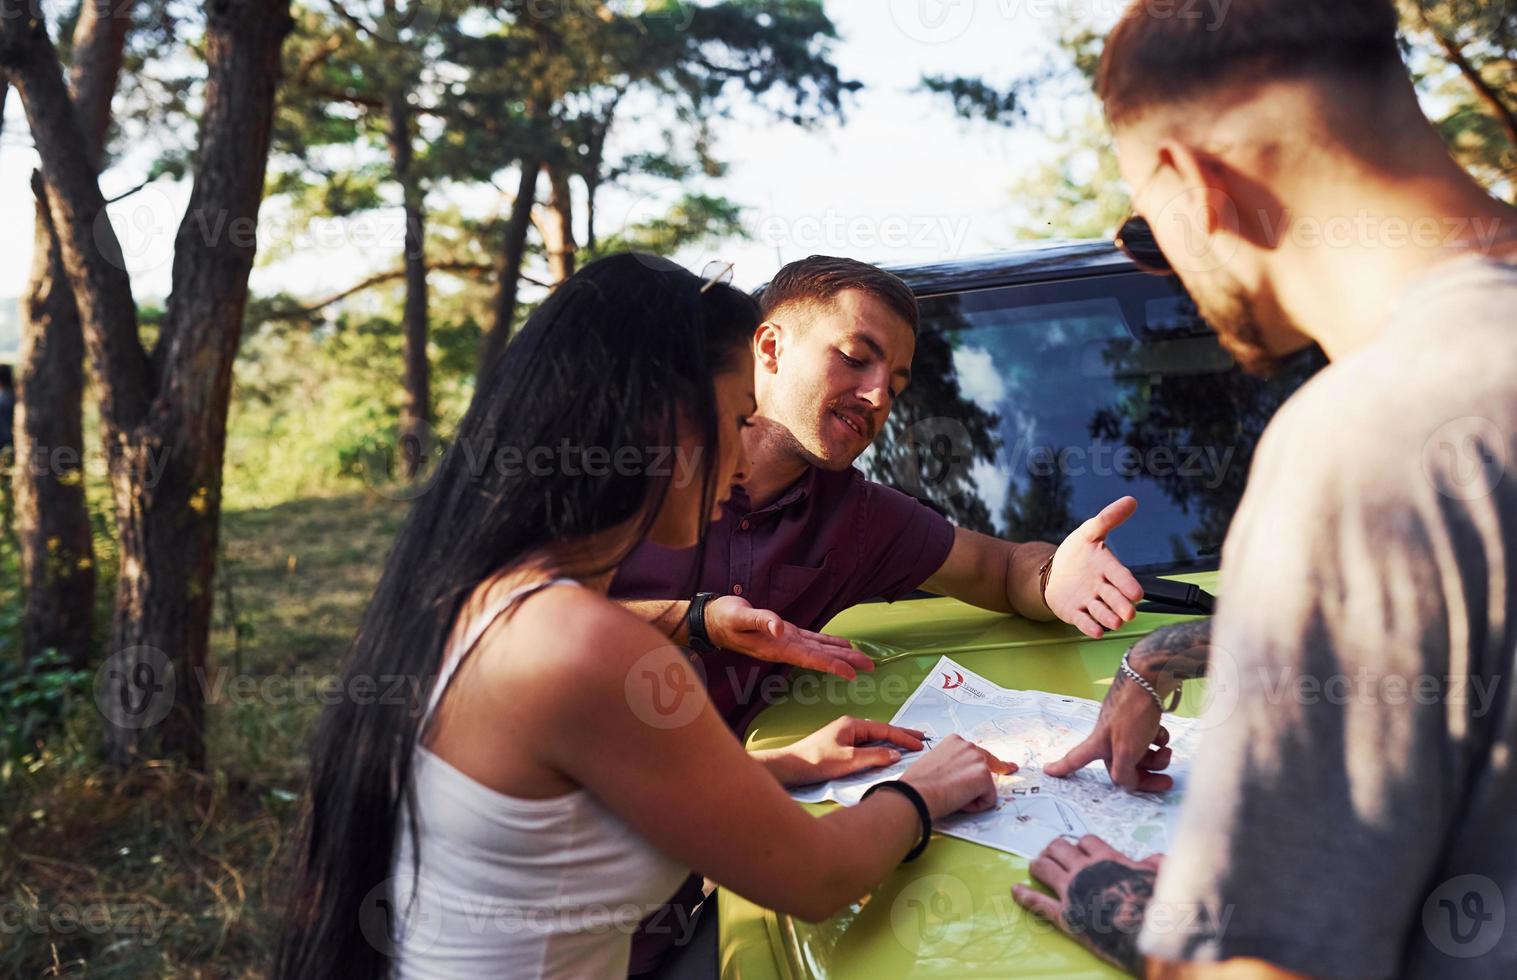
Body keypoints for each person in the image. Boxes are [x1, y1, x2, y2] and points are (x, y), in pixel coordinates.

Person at [275, 255, 1013, 980]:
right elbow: (815, 879)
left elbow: (554, 802)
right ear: (662, 422)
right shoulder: (587, 646)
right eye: (734, 418)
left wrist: (780, 765)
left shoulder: (482, 597)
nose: (739, 459)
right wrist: (926, 790)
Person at [1011, 1, 1517, 977]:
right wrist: (1161, 651)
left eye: (1139, 227)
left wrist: (1128, 906)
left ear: (1188, 180)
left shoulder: (1368, 437)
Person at [611, 254, 1150, 974]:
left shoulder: (858, 516)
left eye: (895, 384)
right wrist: (694, 618)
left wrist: (1053, 575)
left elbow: (999, 567)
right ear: (766, 348)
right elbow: (494, 623)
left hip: (674, 906)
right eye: (856, 359)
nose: (875, 397)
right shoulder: (613, 472)